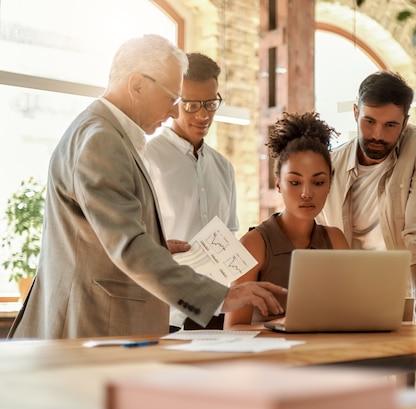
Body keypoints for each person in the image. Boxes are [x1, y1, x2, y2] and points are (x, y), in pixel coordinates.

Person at [8, 34, 285, 340]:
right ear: (137, 85)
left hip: (100, 324)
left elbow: (98, 237)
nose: (173, 111)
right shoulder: (101, 139)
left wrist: (154, 244)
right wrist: (224, 297)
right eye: (172, 98)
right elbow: (128, 248)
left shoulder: (103, 133)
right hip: (90, 324)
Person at [317, 71, 416, 324]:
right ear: (355, 112)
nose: (377, 135)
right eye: (369, 121)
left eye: (390, 125)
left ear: (405, 122)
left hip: (405, 297)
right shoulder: (332, 163)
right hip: (347, 298)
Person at [224, 111, 350, 329]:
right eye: (295, 182)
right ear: (278, 183)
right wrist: (282, 323)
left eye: (318, 183)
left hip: (325, 356)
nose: (306, 193)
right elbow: (233, 329)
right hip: (269, 360)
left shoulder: (336, 240)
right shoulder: (253, 244)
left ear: (329, 184)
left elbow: (351, 311)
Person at [145, 52, 238, 332]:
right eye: (191, 104)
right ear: (174, 101)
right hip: (166, 313)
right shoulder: (147, 158)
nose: (203, 114)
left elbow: (229, 235)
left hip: (217, 312)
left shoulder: (224, 167)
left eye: (210, 103)